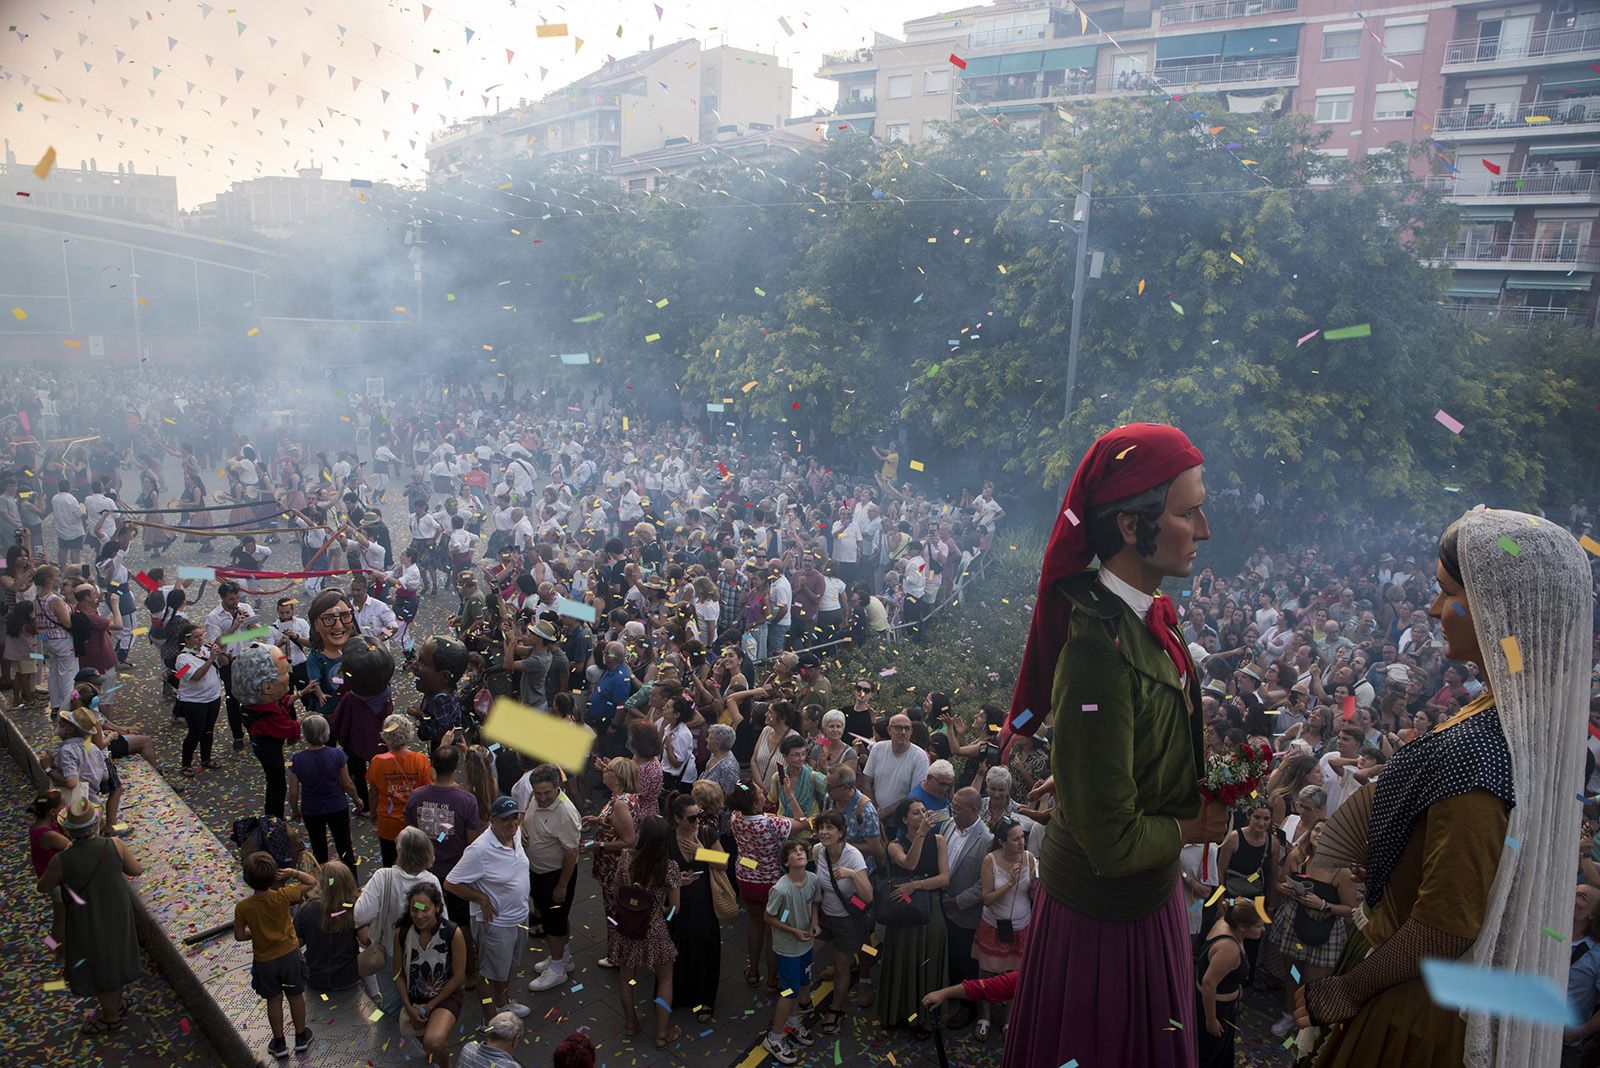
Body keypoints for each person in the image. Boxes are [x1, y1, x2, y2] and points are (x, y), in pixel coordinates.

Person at [1298, 511, 1594, 1068]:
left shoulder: (1479, 748)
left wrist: (1347, 990)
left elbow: (1443, 927)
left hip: (1409, 1015)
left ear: (1494, 605)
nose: (1434, 610)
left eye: (1447, 593)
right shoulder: (1514, 720)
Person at [1001, 423, 1225, 1068]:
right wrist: (1193, 826)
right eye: (1187, 513)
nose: (1204, 529)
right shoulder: (1100, 650)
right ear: (1131, 526)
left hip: (1142, 904)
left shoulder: (1145, 617)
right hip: (1106, 925)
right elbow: (1112, 840)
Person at [36, 796, 142, 1034]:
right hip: (116, 910)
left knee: (98, 962)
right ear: (95, 823)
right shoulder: (115, 844)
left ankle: (110, 1015)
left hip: (86, 916)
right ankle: (118, 1002)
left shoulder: (61, 860)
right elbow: (137, 869)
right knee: (115, 954)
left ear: (68, 830)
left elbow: (43, 887)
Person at [444, 796, 532, 1019]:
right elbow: (451, 883)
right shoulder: (479, 850)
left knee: (508, 967)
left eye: (515, 818)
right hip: (496, 925)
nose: (512, 823)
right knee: (489, 974)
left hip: (519, 917)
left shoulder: (516, 833)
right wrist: (481, 899)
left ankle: (503, 1004)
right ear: (492, 820)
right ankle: (490, 1018)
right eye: (505, 820)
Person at [608, 814, 684, 1049]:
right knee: (665, 979)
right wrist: (664, 916)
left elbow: (616, 889)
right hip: (654, 928)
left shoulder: (626, 858)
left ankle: (631, 1023)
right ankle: (662, 1033)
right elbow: (675, 908)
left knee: (626, 978)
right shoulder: (669, 867)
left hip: (627, 926)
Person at [233, 850, 318, 1060]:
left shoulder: (243, 907)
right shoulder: (283, 895)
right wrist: (293, 872)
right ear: (274, 876)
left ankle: (279, 1043)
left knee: (274, 1000)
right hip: (290, 956)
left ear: (247, 880)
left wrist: (257, 931)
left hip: (265, 962)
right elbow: (312, 881)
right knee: (295, 995)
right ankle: (300, 1036)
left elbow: (238, 936)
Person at [876, 797, 950, 1034]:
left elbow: (944, 878)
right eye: (916, 813)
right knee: (905, 961)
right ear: (905, 819)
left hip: (931, 907)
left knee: (928, 960)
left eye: (924, 811)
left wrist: (915, 886)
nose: (923, 816)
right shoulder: (894, 845)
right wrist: (920, 834)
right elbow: (909, 864)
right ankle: (899, 1011)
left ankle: (925, 1016)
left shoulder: (938, 840)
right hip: (906, 911)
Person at [355, 826, 442, 1017]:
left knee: (391, 1004)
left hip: (388, 953)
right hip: (423, 955)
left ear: (400, 851)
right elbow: (442, 920)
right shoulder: (432, 882)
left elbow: (360, 915)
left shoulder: (383, 878)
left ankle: (393, 1041)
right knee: (420, 1001)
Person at [729, 777, 797, 993]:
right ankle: (772, 978)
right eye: (760, 791)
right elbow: (802, 821)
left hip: (746, 878)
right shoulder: (774, 823)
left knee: (755, 923)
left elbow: (742, 790)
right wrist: (789, 795)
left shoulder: (736, 817)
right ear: (755, 802)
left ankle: (752, 971)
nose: (764, 791)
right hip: (772, 883)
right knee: (772, 930)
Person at [760, 837, 821, 1064]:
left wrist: (815, 922)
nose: (800, 853)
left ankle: (793, 1021)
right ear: (786, 862)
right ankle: (774, 1036)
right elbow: (769, 917)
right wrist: (793, 930)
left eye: (802, 850)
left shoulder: (813, 879)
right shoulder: (780, 889)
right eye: (794, 852)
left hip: (805, 944)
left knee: (802, 983)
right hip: (788, 948)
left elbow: (815, 902)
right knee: (789, 991)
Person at [974, 818, 1036, 1041]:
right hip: (994, 924)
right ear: (1002, 842)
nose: (1021, 843)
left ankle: (1010, 1018)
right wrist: (1010, 882)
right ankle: (985, 1015)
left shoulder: (1030, 859)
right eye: (1016, 839)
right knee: (988, 973)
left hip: (1021, 927)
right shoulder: (990, 860)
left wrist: (1037, 888)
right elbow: (987, 899)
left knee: (1014, 976)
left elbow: (1033, 895)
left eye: (1023, 837)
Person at [812, 809, 873, 1036]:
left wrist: (852, 874)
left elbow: (868, 896)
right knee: (806, 954)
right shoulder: (819, 851)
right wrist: (815, 919)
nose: (824, 832)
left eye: (830, 828)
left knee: (840, 965)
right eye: (821, 827)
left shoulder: (853, 856)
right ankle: (800, 998)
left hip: (848, 921)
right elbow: (818, 889)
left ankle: (835, 1008)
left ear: (841, 833)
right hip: (825, 917)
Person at [522, 763, 581, 993]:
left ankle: (557, 970)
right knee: (552, 916)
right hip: (537, 871)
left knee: (554, 923)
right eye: (538, 793)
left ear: (557, 787)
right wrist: (522, 828)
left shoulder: (565, 813)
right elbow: (526, 816)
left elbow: (571, 852)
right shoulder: (534, 797)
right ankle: (563, 957)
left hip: (555, 875)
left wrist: (562, 885)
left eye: (547, 793)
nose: (542, 798)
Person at [394, 882, 467, 1067]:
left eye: (425, 910)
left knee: (432, 1041)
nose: (419, 916)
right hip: (415, 1000)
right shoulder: (402, 933)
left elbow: (458, 977)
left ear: (437, 908)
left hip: (445, 997)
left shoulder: (452, 933)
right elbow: (397, 974)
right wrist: (409, 1008)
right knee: (431, 1048)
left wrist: (431, 1005)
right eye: (414, 910)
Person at [233, 642, 308, 821]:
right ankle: (274, 819)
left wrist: (300, 693)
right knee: (277, 783)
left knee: (275, 781)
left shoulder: (258, 704)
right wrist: (304, 720)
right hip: (268, 748)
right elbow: (290, 731)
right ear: (267, 687)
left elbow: (282, 702)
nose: (289, 672)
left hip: (262, 743)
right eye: (283, 671)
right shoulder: (269, 714)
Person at [939, 785, 992, 1031]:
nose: (953, 810)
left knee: (965, 963)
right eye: (953, 805)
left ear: (973, 810)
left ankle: (968, 1007)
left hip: (965, 913)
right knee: (948, 957)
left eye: (958, 808)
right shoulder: (948, 825)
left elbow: (985, 882)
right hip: (942, 907)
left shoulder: (987, 840)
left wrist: (959, 901)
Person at [666, 791, 722, 1020]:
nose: (696, 821)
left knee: (705, 948)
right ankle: (679, 994)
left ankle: (706, 999)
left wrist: (701, 851)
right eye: (690, 818)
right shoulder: (667, 838)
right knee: (677, 946)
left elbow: (723, 863)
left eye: (698, 815)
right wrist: (676, 879)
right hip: (677, 902)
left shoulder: (707, 833)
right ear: (677, 819)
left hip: (704, 900)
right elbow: (657, 869)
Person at [1195, 898, 1267, 1068]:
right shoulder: (1229, 949)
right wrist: (1211, 1020)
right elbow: (1208, 984)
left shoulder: (1225, 921)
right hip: (1216, 1009)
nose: (1263, 930)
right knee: (1208, 1054)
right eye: (1259, 926)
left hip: (1222, 1004)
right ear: (1242, 927)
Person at [328, 631, 395, 816]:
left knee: (357, 771)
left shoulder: (351, 698)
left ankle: (365, 805)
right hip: (381, 741)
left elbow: (337, 721)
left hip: (356, 743)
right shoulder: (386, 691)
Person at [289, 713, 361, 873]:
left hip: (311, 809)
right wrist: (356, 799)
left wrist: (295, 811)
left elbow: (293, 792)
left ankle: (324, 884)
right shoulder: (337, 754)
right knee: (344, 847)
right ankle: (351, 884)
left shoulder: (298, 759)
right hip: (337, 806)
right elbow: (347, 784)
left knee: (319, 849)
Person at [368, 714, 435, 868]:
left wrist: (373, 814)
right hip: (414, 821)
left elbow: (373, 793)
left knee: (391, 866)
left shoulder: (378, 761)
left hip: (388, 821)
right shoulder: (421, 760)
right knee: (415, 866)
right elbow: (427, 791)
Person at [293, 859, 360, 993]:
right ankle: (375, 995)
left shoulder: (307, 909)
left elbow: (295, 944)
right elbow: (366, 940)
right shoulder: (355, 909)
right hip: (347, 978)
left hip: (314, 978)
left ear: (323, 883)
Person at [171, 623, 223, 777]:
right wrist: (211, 659)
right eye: (196, 637)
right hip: (194, 701)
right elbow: (196, 676)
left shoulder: (206, 649)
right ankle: (186, 764)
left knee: (208, 730)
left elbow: (221, 664)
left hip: (213, 697)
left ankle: (206, 759)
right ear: (186, 640)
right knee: (195, 733)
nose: (201, 639)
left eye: (201, 636)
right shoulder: (183, 658)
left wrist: (221, 655)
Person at [862, 712, 929, 811]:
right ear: (889, 730)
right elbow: (867, 781)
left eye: (907, 728)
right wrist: (874, 809)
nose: (903, 732)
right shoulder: (878, 748)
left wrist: (884, 813)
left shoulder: (919, 757)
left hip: (903, 817)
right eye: (898, 728)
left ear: (911, 732)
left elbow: (914, 797)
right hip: (875, 811)